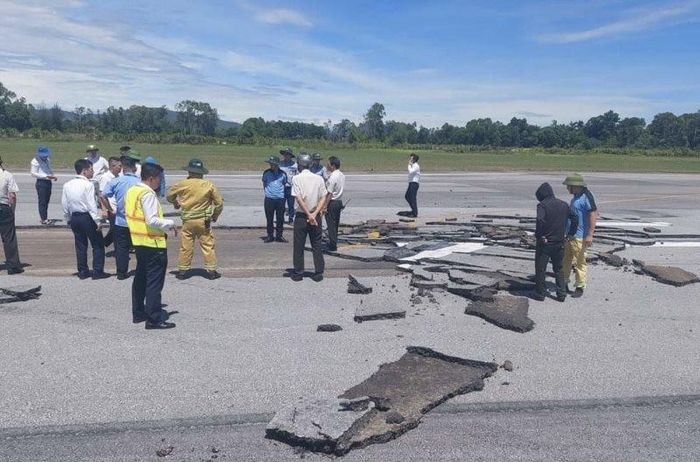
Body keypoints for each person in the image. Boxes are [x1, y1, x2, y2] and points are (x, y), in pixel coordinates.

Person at [125, 163, 176, 329]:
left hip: (139, 241)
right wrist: (170, 223)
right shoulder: (148, 194)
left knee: (140, 279)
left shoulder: (133, 191)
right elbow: (152, 220)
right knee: (154, 282)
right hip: (153, 243)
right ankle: (154, 319)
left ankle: (138, 312)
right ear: (151, 178)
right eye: (159, 179)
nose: (160, 182)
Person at [166, 159, 223, 280]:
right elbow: (219, 204)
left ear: (189, 171)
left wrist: (176, 203)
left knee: (186, 245)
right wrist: (215, 216)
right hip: (204, 221)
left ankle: (182, 271)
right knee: (208, 245)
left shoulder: (182, 184)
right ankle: (212, 271)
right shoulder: (209, 185)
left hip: (188, 221)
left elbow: (169, 195)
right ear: (201, 172)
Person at [61, 159, 108, 280]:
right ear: (84, 171)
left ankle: (82, 271)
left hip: (75, 217)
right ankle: (97, 271)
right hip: (87, 217)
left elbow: (65, 204)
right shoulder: (88, 185)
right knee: (97, 244)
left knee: (80, 245)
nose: (92, 172)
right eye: (91, 169)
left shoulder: (67, 184)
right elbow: (91, 205)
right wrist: (98, 221)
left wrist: (68, 218)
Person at [533, 182, 578, 302]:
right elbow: (575, 218)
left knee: (541, 268)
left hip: (545, 243)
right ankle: (561, 294)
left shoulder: (542, 206)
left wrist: (540, 235)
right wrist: (570, 234)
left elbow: (540, 220)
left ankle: (540, 293)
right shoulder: (563, 204)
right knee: (558, 269)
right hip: (559, 242)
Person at [101, 155, 141, 280]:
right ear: (134, 168)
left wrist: (110, 209)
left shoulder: (116, 181)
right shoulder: (140, 182)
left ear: (123, 168)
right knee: (139, 247)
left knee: (121, 248)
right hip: (137, 220)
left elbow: (103, 196)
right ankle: (141, 270)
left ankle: (121, 273)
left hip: (121, 220)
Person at [291, 153, 328, 282]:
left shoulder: (296, 179)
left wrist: (307, 214)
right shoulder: (318, 179)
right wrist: (314, 213)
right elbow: (324, 196)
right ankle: (318, 272)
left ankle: (298, 272)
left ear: (299, 165)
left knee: (299, 245)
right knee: (317, 244)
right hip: (315, 215)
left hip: (302, 215)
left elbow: (299, 198)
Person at [562, 173, 599, 298]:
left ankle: (579, 286)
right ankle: (564, 282)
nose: (567, 189)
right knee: (566, 260)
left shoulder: (586, 197)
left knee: (580, 262)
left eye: (569, 186)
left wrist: (590, 234)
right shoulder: (576, 197)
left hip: (580, 236)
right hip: (570, 235)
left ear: (576, 186)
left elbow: (593, 215)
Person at [0, 157, 23, 274]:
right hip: (3, 207)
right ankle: (13, 266)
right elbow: (12, 196)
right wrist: (12, 211)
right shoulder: (7, 175)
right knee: (9, 238)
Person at [262, 155, 288, 243]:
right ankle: (270, 235)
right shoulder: (266, 173)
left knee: (280, 218)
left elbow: (284, 185)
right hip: (269, 199)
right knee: (269, 218)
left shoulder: (283, 174)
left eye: (273, 164)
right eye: (270, 164)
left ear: (277, 165)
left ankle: (279, 235)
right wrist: (268, 193)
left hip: (280, 199)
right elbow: (264, 184)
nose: (271, 166)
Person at [30, 146, 57, 225]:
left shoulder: (47, 159)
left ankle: (45, 216)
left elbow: (48, 169)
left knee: (47, 200)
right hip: (41, 182)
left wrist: (52, 175)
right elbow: (33, 173)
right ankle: (43, 219)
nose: (45, 156)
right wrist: (45, 176)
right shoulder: (35, 161)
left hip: (48, 181)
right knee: (42, 201)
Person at [99, 157, 122, 248]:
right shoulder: (105, 178)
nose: (121, 168)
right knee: (115, 230)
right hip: (111, 208)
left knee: (115, 229)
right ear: (112, 166)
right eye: (119, 166)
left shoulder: (119, 177)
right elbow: (102, 195)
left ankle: (104, 243)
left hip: (118, 207)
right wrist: (105, 209)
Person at [324, 156, 345, 252]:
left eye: (328, 164)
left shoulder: (333, 176)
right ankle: (334, 241)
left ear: (332, 166)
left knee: (331, 225)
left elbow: (329, 193)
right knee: (335, 224)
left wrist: (324, 206)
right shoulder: (341, 175)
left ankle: (332, 245)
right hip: (339, 201)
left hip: (332, 202)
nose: (327, 165)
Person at [279, 148, 298, 224]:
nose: (286, 156)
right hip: (282, 187)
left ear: (290, 156)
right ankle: (281, 218)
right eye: (285, 154)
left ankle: (291, 218)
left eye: (287, 154)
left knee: (291, 204)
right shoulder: (280, 164)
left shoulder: (295, 165)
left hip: (291, 187)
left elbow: (297, 175)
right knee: (281, 204)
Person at [404, 153, 421, 218]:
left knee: (412, 198)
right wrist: (410, 165)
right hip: (411, 183)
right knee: (407, 196)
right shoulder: (413, 165)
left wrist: (409, 165)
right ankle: (413, 210)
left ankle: (415, 213)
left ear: (414, 159)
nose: (410, 159)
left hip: (414, 183)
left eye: (411, 158)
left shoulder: (416, 166)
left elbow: (410, 171)